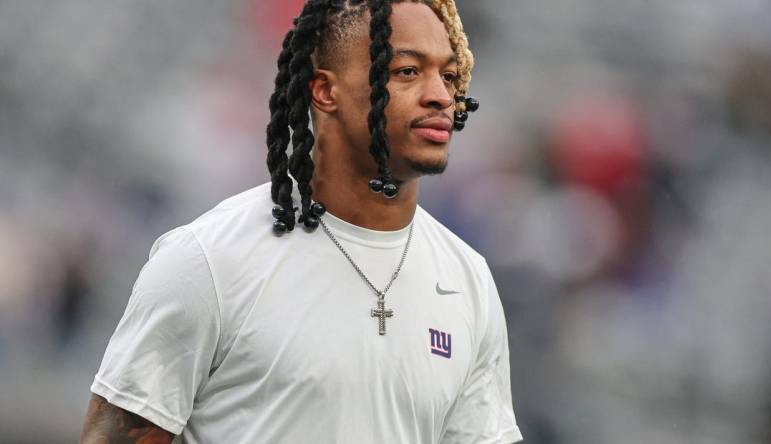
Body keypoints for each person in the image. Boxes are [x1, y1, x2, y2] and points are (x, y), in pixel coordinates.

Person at [80, 1, 522, 443]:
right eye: (406, 71)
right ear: (325, 92)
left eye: (448, 76)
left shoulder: (468, 279)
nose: (441, 96)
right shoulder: (210, 260)